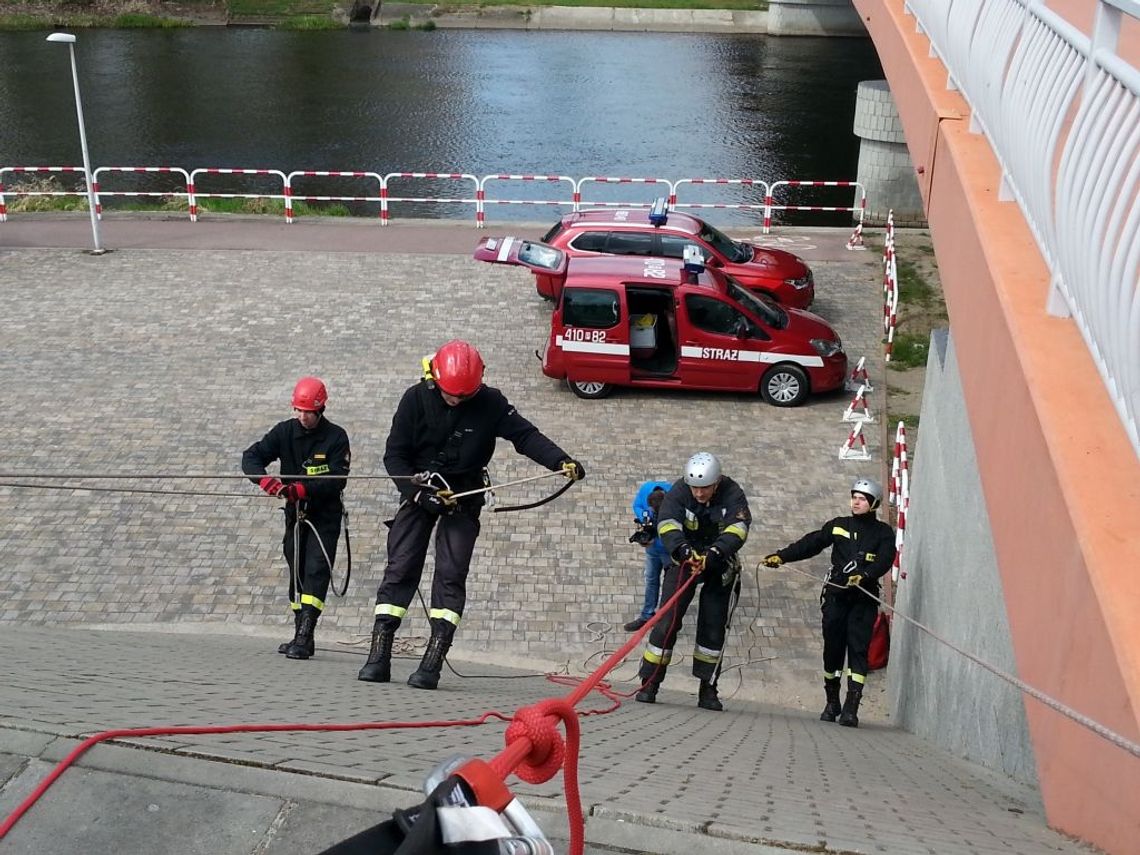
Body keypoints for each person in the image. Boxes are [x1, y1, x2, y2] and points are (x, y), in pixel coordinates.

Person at [358, 340, 585, 690]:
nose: (457, 401)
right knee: (400, 566)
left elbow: (525, 436)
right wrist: (418, 493)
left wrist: (560, 461)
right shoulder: (415, 399)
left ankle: (431, 664)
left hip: (465, 495)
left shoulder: (490, 402)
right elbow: (395, 457)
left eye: (464, 396)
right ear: (434, 378)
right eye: (451, 395)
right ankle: (378, 656)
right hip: (420, 492)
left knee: (451, 574)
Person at [763, 477, 896, 728]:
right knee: (832, 650)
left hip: (863, 600)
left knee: (857, 651)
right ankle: (831, 701)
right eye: (854, 497)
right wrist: (781, 557)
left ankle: (851, 706)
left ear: (874, 503)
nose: (856, 502)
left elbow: (886, 559)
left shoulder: (883, 533)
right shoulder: (838, 526)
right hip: (836, 597)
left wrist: (866, 575)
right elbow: (810, 543)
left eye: (862, 499)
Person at [242, 377, 351, 660]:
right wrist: (265, 481)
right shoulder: (284, 432)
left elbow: (337, 479)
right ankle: (299, 632)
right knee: (297, 571)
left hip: (324, 516)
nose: (303, 417)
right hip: (296, 515)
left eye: (308, 412)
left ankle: (306, 633)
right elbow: (251, 457)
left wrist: (300, 489)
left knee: (316, 570)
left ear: (321, 409)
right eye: (298, 410)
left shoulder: (336, 438)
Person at [635, 452, 751, 711]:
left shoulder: (732, 493)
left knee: (713, 626)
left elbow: (739, 528)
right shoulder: (679, 491)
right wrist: (684, 550)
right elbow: (667, 524)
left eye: (705, 488)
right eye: (695, 488)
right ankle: (649, 682)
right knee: (666, 621)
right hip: (684, 560)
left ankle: (707, 689)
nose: (699, 494)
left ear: (717, 482)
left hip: (719, 562)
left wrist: (716, 553)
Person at [623, 480, 672, 632]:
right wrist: (645, 520)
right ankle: (647, 616)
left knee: (671, 585)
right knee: (651, 579)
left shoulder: (676, 496)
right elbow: (636, 505)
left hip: (669, 551)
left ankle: (667, 620)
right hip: (652, 550)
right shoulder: (646, 490)